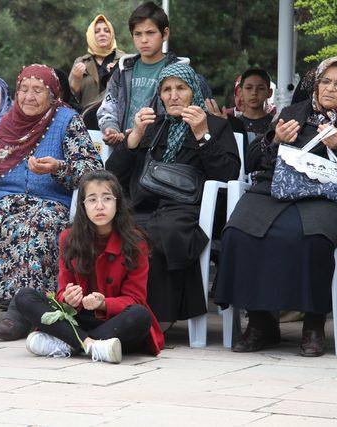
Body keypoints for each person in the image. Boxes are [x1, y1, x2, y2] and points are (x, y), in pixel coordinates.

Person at [214, 56, 337, 357]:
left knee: (310, 239)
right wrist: (275, 139)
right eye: (325, 81)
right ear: (316, 82)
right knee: (239, 233)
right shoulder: (295, 111)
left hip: (327, 196)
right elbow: (254, 160)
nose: (330, 89)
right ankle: (259, 322)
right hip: (275, 189)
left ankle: (313, 323)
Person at [0, 64, 102, 339]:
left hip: (49, 202)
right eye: (23, 90)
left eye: (37, 91)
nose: (28, 97)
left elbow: (91, 170)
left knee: (33, 226)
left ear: (52, 94)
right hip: (5, 198)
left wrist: (57, 167)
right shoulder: (9, 119)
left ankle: (22, 310)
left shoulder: (68, 119)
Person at [106, 62, 240, 324]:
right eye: (166, 89)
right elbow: (113, 175)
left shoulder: (216, 125)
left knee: (165, 231)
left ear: (194, 92)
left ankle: (156, 316)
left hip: (189, 209)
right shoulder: (154, 126)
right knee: (118, 229)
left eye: (181, 88)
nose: (173, 95)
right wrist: (133, 139)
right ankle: (114, 308)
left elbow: (227, 175)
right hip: (145, 204)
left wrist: (202, 135)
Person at [14, 170, 165, 363]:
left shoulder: (136, 242)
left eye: (107, 199)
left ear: (118, 203)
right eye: (92, 200)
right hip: (79, 317)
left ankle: (68, 343)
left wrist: (103, 303)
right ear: (83, 206)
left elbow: (135, 299)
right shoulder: (69, 238)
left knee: (140, 315)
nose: (100, 206)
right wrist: (68, 298)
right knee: (24, 296)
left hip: (114, 321)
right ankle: (91, 346)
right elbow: (62, 291)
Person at [97, 1, 187, 146]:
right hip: (124, 150)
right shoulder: (122, 70)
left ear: (165, 34)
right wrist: (111, 129)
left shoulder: (180, 71)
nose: (144, 40)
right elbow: (108, 107)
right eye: (138, 34)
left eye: (150, 33)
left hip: (161, 152)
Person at [69, 15, 124, 112]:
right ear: (90, 36)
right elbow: (71, 97)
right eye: (96, 31)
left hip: (116, 118)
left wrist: (117, 75)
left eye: (106, 31)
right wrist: (76, 78)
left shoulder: (124, 60)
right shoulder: (81, 61)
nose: (102, 34)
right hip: (87, 118)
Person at [237, 68, 274, 138]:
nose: (254, 93)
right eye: (249, 88)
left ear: (269, 93)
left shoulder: (275, 125)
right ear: (240, 92)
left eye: (260, 88)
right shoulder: (234, 125)